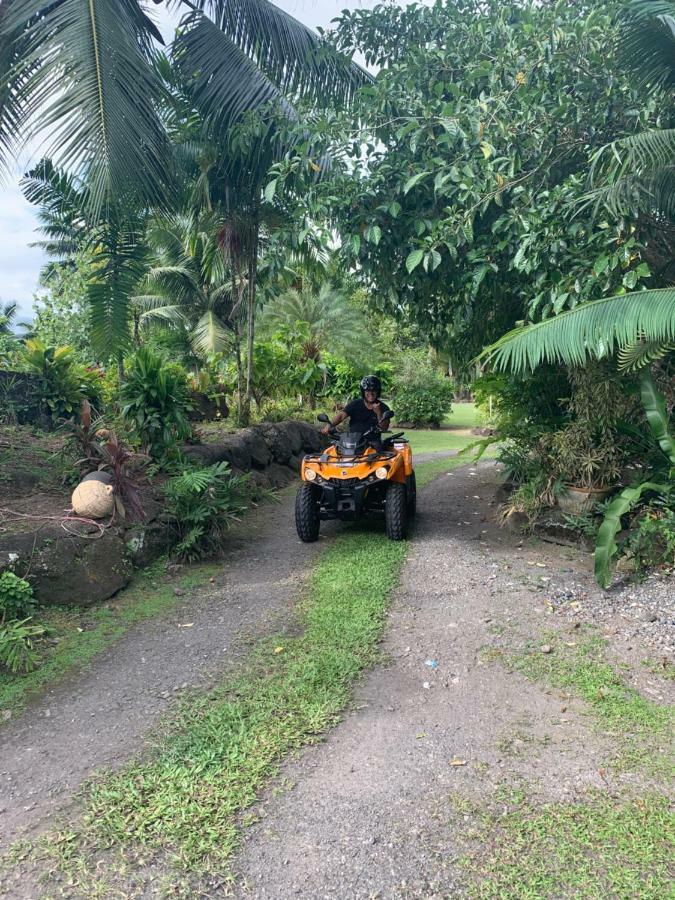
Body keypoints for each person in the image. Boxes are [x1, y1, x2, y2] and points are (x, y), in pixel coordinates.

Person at [321, 375, 392, 436]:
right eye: (367, 391)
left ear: (378, 392)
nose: (371, 393)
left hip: (373, 442)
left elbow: (384, 428)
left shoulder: (384, 408)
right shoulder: (355, 404)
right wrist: (329, 425)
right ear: (363, 392)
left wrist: (379, 413)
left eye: (374, 391)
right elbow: (341, 416)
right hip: (353, 442)